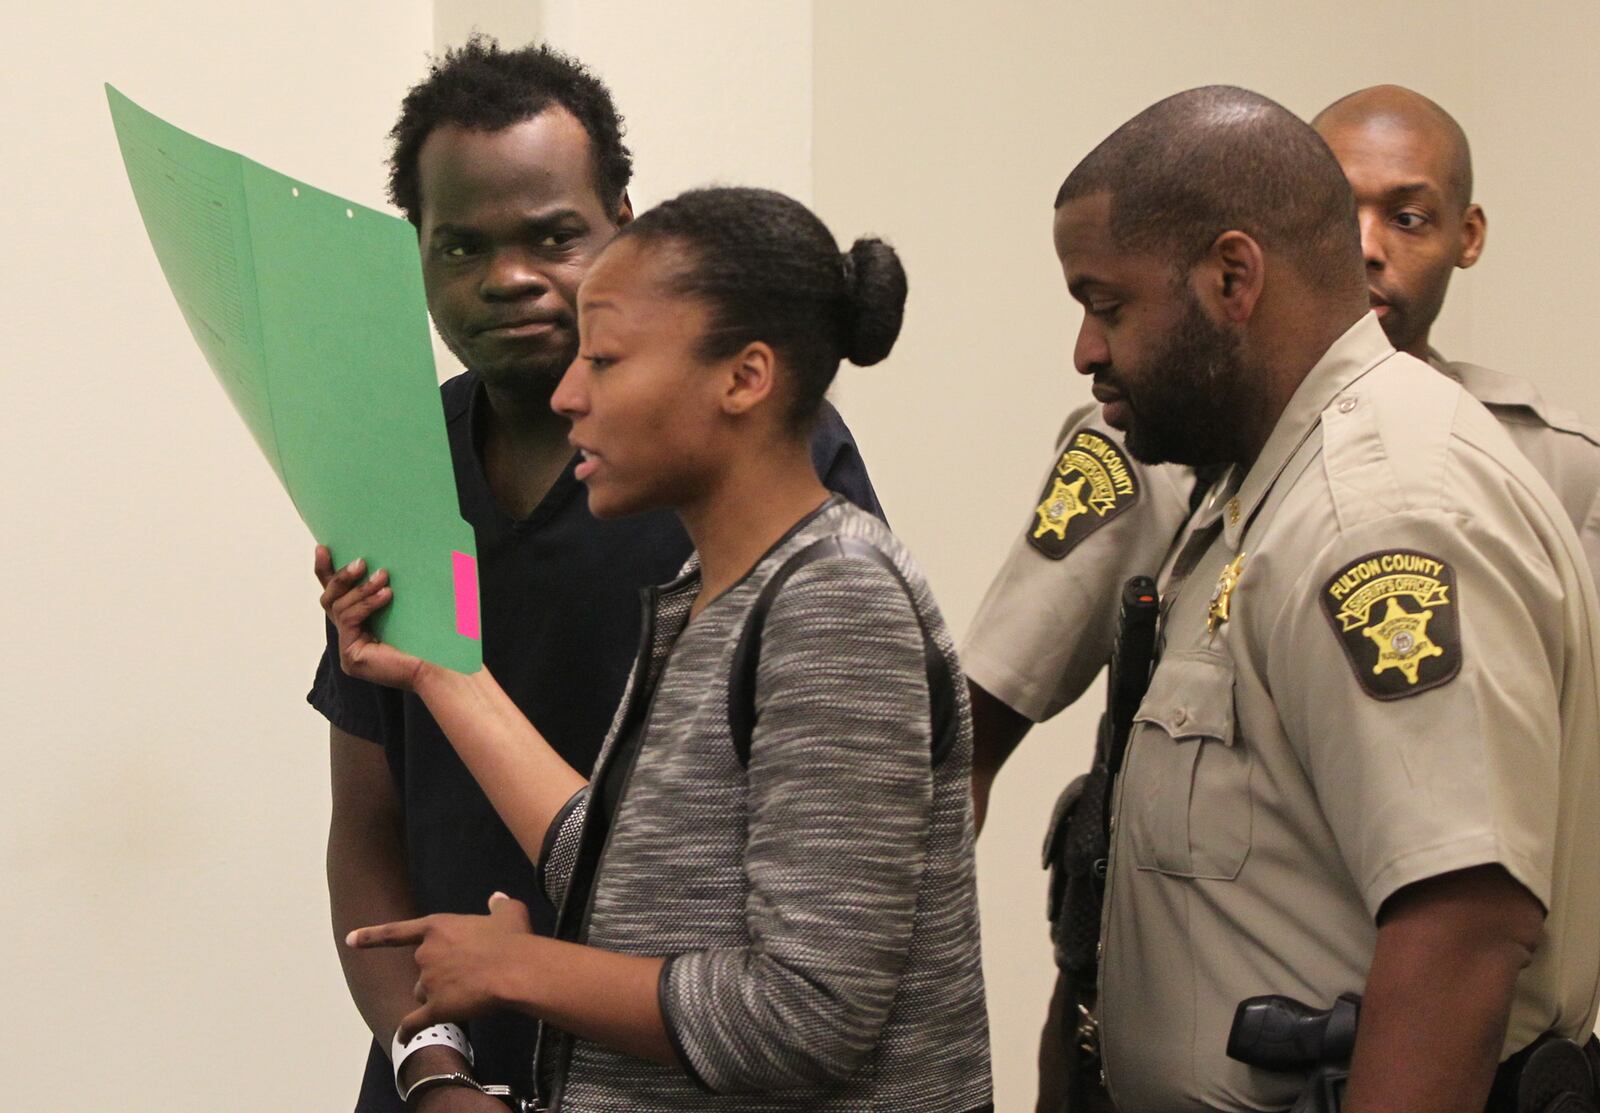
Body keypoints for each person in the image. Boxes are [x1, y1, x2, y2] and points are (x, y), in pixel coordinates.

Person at [965, 82, 1600, 1112]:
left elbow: (1460, 925)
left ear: (1231, 278)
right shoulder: (1255, 485)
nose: (1085, 350)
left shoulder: (1379, 509)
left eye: (1107, 304)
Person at [319, 186, 992, 1112]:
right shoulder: (707, 595)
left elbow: (805, 1012)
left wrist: (526, 969)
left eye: (605, 360)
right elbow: (625, 874)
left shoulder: (835, 601)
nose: (567, 394)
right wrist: (435, 669)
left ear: (744, 378)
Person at [1313, 84, 1600, 576]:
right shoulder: (1210, 441)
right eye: (1334, 214)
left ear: (1467, 238)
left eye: (1407, 219)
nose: (1365, 248)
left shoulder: (1563, 468)